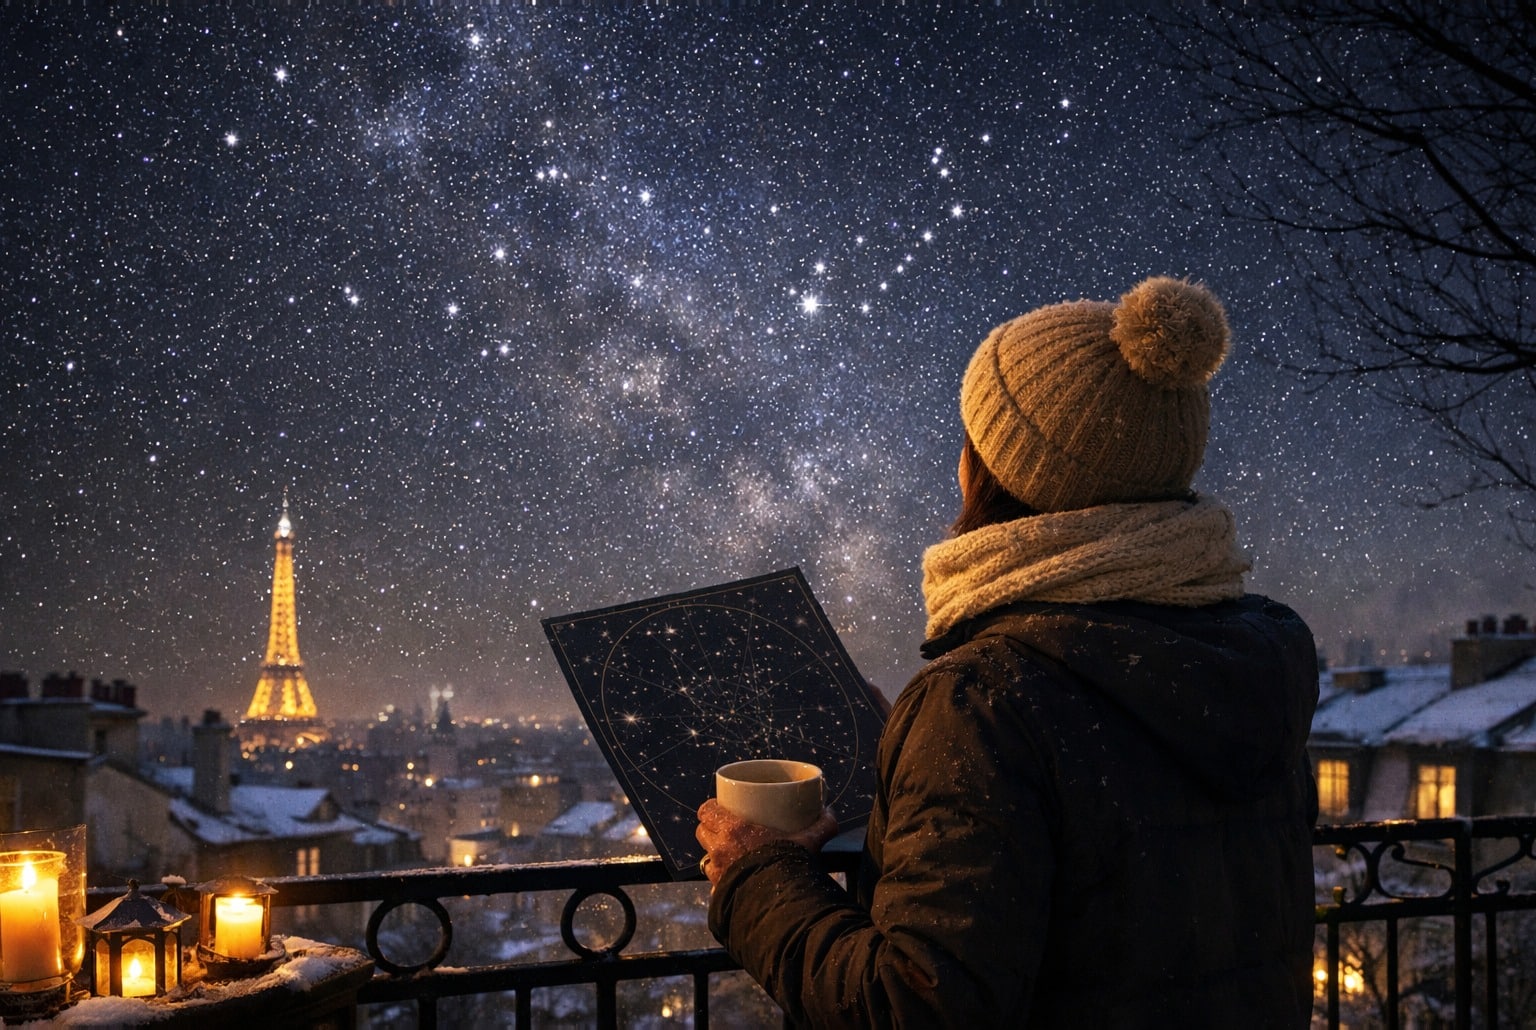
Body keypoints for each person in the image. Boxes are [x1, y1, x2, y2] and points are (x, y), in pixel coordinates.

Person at [696, 276, 1320, 1028]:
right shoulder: (1245, 661)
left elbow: (912, 1006)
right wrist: (924, 755)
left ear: (997, 471)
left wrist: (758, 876)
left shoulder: (988, 701)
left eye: (971, 438)